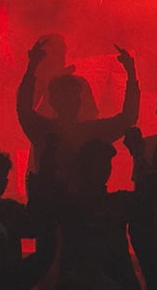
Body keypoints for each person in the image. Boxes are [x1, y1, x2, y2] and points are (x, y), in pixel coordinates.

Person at [17, 36, 139, 188]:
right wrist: (131, 74)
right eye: (53, 53)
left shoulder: (45, 131)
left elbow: (23, 109)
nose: (58, 58)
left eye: (61, 53)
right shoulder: (84, 131)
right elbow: (128, 118)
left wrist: (32, 66)